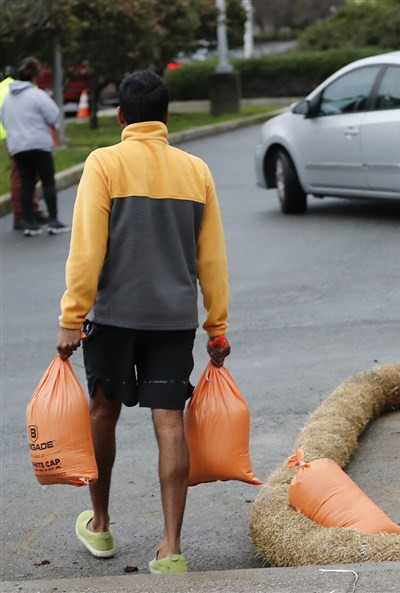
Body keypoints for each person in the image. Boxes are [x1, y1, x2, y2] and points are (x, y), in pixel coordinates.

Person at [55, 70, 230, 575]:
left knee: (102, 412)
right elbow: (211, 258)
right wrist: (216, 327)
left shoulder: (104, 163)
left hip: (112, 317)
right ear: (168, 115)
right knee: (170, 423)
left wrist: (72, 317)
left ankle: (102, 523)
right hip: (173, 320)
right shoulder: (196, 171)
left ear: (120, 117)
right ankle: (171, 547)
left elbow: (87, 249)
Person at [0, 57, 65, 236]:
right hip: (39, 144)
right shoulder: (37, 95)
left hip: (18, 147)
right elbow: (54, 116)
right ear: (35, 77)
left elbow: (4, 120)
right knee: (47, 182)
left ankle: (29, 223)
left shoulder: (8, 99)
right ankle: (53, 221)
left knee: (26, 183)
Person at [1, 66, 46, 230]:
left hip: (14, 136)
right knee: (21, 178)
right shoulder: (14, 89)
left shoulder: (7, 87)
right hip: (16, 136)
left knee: (26, 177)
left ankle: (30, 211)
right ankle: (22, 214)